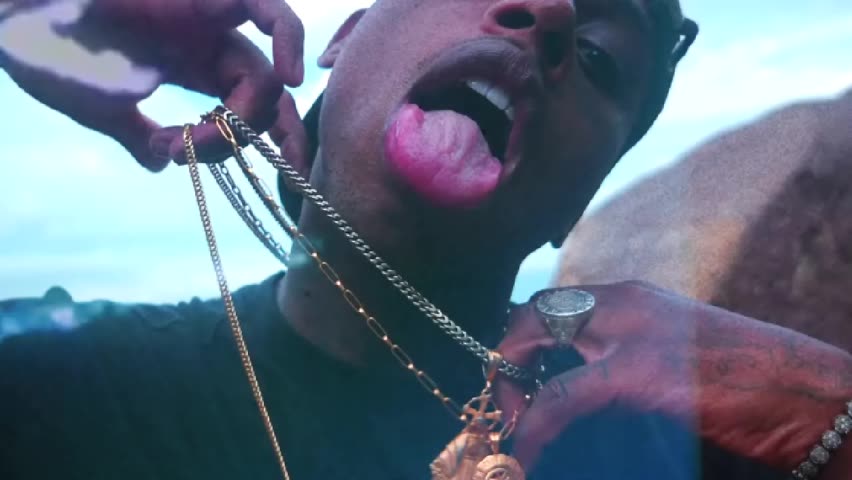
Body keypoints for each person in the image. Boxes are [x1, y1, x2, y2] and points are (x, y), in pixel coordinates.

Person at [1, 0, 850, 479]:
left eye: (598, 57)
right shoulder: (54, 385)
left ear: (583, 201)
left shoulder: (684, 445)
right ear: (344, 38)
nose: (547, 12)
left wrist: (830, 406)